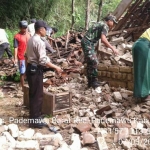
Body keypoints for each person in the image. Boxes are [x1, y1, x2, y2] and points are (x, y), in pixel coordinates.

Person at [26, 20, 63, 128]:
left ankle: (34, 116)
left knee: (33, 93)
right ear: (41, 29)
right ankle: (35, 120)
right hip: (36, 70)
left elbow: (28, 55)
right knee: (37, 95)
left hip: (30, 68)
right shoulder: (40, 42)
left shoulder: (31, 39)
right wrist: (55, 67)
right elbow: (42, 61)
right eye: (45, 29)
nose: (46, 31)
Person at [81, 15, 118, 89]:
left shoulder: (100, 23)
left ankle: (90, 82)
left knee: (90, 62)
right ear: (109, 21)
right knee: (94, 61)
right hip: (88, 42)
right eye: (113, 22)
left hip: (87, 42)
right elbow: (103, 39)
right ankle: (93, 82)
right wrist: (113, 48)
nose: (113, 25)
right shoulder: (105, 26)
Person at [132, 28, 150, 102]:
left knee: (142, 70)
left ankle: (141, 94)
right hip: (143, 46)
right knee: (144, 71)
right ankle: (143, 95)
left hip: (138, 45)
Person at [14, 20, 30, 90]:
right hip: (21, 57)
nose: (24, 29)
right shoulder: (17, 37)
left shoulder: (29, 34)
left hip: (29, 56)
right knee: (22, 72)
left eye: (25, 28)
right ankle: (23, 87)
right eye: (23, 28)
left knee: (29, 71)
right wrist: (15, 58)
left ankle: (29, 85)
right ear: (20, 28)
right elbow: (15, 47)